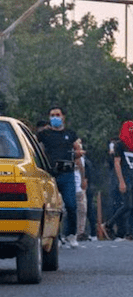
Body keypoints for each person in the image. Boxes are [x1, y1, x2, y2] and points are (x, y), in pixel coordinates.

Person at [36, 106, 83, 248]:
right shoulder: (44, 134)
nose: (54, 117)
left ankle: (71, 235)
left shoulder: (70, 134)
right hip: (50, 175)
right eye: (52, 115)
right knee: (52, 208)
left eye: (57, 114)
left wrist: (82, 171)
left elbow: (78, 148)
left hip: (67, 174)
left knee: (71, 205)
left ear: (63, 117)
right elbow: (34, 146)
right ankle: (54, 236)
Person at [104, 120, 133, 241]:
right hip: (125, 177)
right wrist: (121, 181)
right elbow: (117, 163)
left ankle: (131, 233)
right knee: (127, 205)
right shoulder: (119, 145)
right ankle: (108, 225)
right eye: (130, 129)